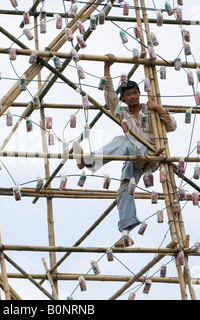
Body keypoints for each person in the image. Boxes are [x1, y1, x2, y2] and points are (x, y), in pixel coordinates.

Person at [73, 53, 177, 247]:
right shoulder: (122, 112)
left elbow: (172, 126)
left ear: (139, 94)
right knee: (124, 188)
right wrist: (107, 68)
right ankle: (126, 232)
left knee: (122, 140)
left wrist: (159, 109)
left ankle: (88, 161)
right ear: (124, 98)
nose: (132, 97)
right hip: (134, 158)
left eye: (135, 93)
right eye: (128, 95)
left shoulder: (150, 110)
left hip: (150, 153)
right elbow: (110, 98)